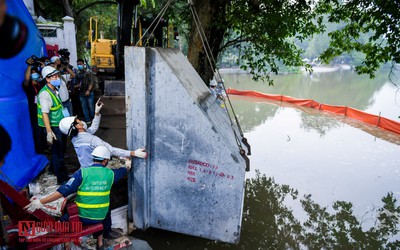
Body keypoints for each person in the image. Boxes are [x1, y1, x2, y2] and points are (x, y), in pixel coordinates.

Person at [24, 146, 135, 249]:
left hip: (82, 217)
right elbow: (123, 170)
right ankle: (100, 242)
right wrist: (127, 165)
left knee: (63, 220)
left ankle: (67, 244)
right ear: (105, 161)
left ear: (94, 159)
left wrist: (41, 202)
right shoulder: (111, 174)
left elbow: (63, 191)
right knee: (105, 206)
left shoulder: (82, 173)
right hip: (100, 217)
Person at [59, 98, 148, 168]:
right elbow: (111, 149)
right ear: (77, 126)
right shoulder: (91, 139)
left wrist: (96, 113)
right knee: (120, 171)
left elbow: (92, 129)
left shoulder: (76, 138)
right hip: (95, 169)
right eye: (79, 121)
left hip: (85, 168)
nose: (81, 121)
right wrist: (132, 153)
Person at [37, 66, 69, 184]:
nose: (57, 78)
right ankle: (62, 178)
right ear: (48, 79)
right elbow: (45, 114)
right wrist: (49, 132)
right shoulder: (45, 94)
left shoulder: (54, 89)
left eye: (58, 76)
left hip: (59, 124)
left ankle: (52, 169)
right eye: (54, 77)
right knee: (58, 152)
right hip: (53, 127)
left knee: (59, 150)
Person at [23, 62, 45, 153]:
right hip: (34, 112)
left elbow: (46, 75)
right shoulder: (28, 86)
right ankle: (39, 149)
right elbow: (27, 79)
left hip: (43, 110)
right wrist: (29, 66)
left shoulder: (40, 84)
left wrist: (43, 66)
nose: (34, 74)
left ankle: (44, 147)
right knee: (37, 131)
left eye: (35, 72)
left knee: (43, 130)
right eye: (32, 73)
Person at [74, 58, 98, 123]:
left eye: (80, 64)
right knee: (84, 107)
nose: (79, 65)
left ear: (83, 64)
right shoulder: (77, 74)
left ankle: (93, 119)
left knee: (91, 106)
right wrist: (77, 86)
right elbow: (74, 84)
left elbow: (92, 82)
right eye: (78, 64)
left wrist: (88, 90)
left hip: (89, 92)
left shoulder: (89, 72)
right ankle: (87, 120)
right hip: (81, 93)